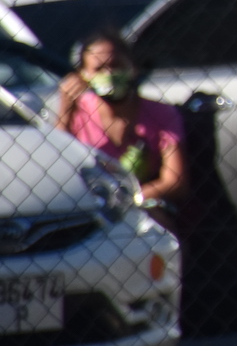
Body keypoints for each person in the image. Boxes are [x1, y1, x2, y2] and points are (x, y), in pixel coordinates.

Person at [56, 29, 188, 228]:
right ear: (83, 76)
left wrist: (128, 201)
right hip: (89, 206)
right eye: (99, 69)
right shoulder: (77, 113)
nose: (109, 74)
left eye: (116, 65)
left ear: (133, 67)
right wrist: (65, 110)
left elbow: (174, 180)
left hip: (143, 204)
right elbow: (55, 163)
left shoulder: (160, 113)